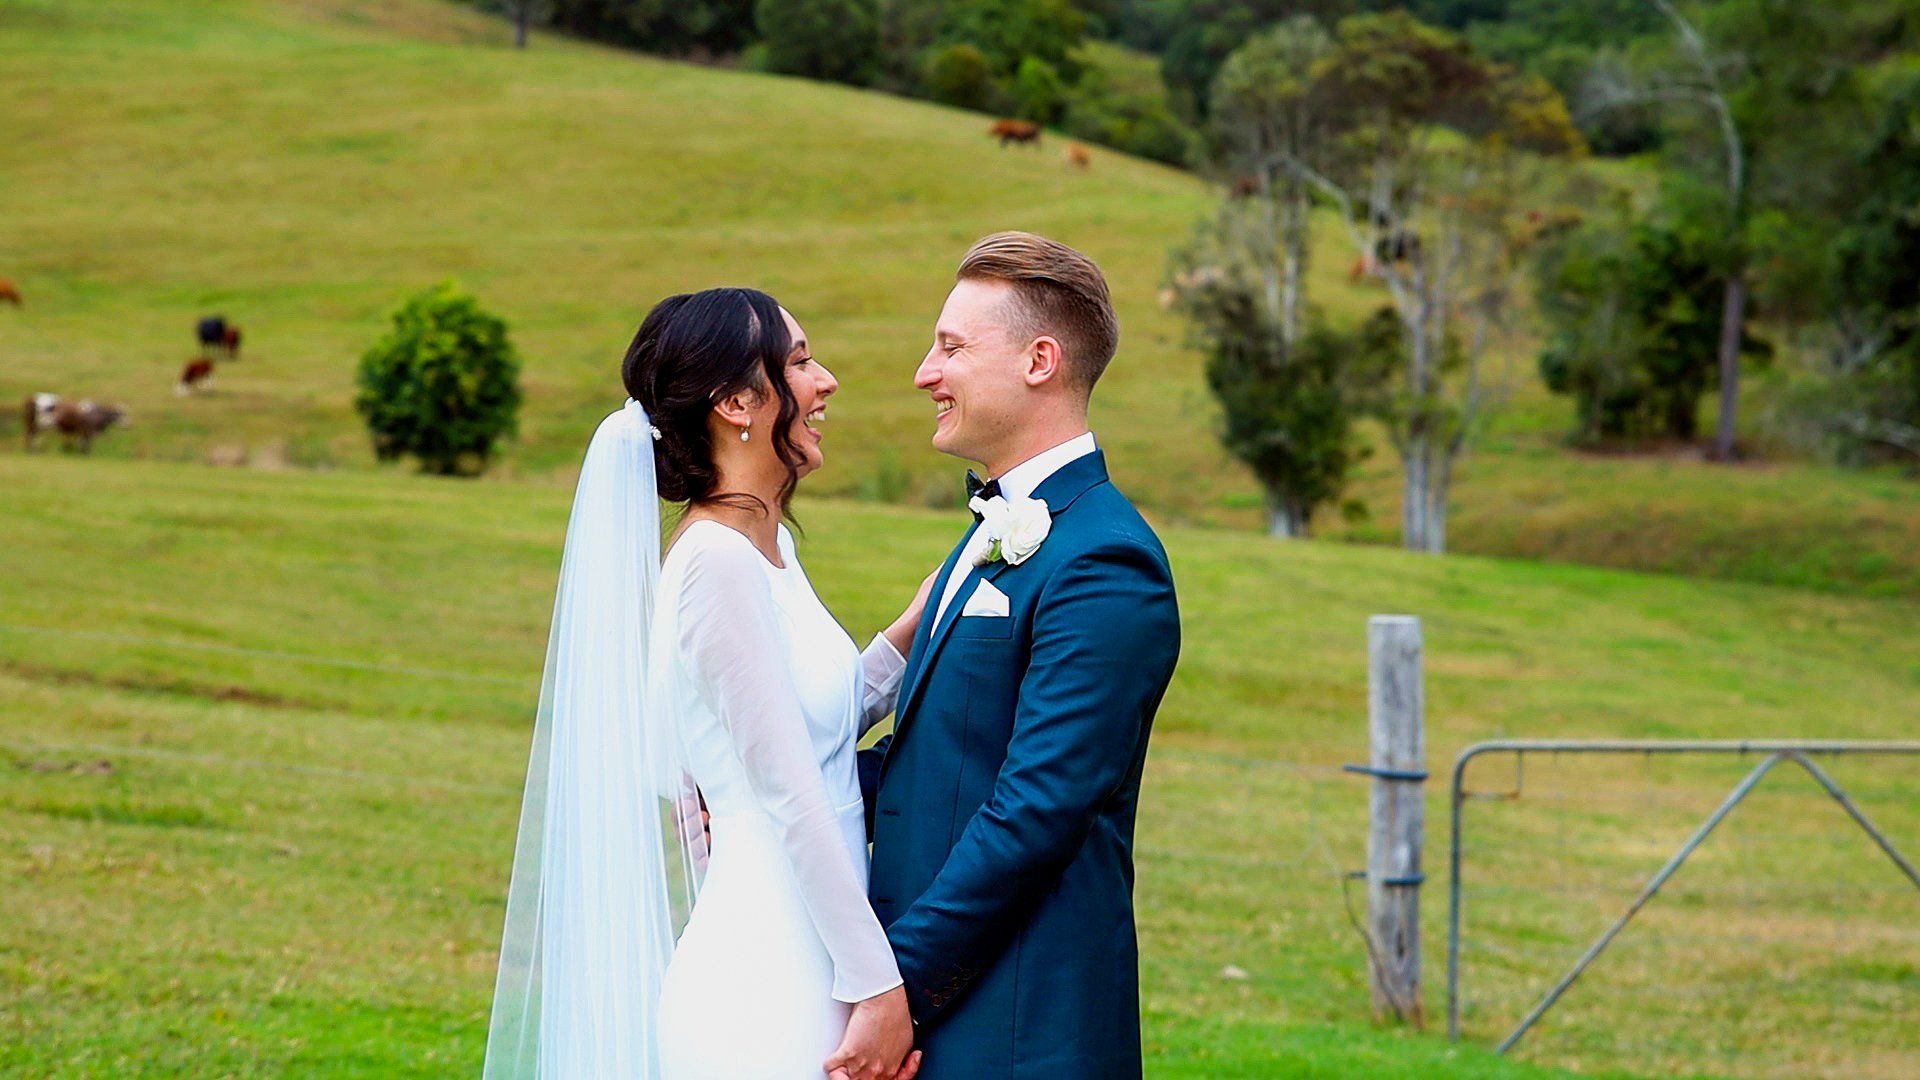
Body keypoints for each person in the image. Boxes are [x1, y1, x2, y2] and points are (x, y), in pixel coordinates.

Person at [483, 287, 928, 1080]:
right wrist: (878, 987)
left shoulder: (767, 548)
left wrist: (928, 611)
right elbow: (791, 790)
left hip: (818, 944)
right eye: (798, 363)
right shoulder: (715, 565)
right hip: (769, 974)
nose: (825, 382)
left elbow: (814, 727)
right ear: (735, 402)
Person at [839, 232, 1182, 1080]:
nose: (926, 373)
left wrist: (900, 990)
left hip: (1025, 1029)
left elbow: (1037, 811)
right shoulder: (991, 533)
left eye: (951, 347)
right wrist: (764, 800)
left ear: (1040, 360)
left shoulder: (1106, 560)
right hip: (962, 1017)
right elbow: (939, 768)